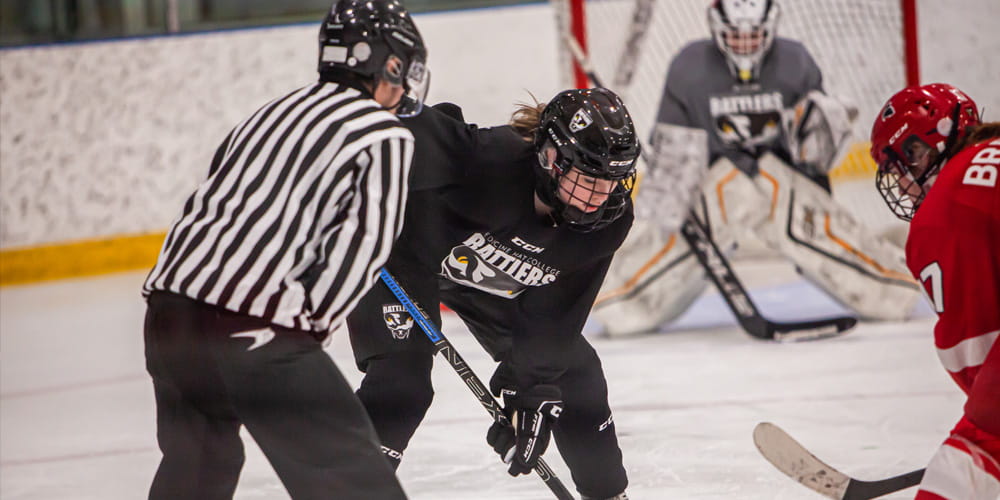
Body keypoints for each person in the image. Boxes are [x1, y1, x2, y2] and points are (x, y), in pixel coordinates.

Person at [140, 1, 429, 498]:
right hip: (254, 328)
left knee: (200, 468)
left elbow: (210, 206)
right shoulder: (384, 133)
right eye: (401, 73)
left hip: (168, 320)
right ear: (388, 64)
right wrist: (308, 330)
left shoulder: (264, 115)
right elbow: (364, 244)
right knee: (353, 482)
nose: (402, 89)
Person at [346, 88, 639, 500]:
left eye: (611, 180)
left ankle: (608, 495)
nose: (599, 197)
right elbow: (395, 127)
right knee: (403, 385)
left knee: (577, 375)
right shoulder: (486, 160)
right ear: (552, 159)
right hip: (404, 256)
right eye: (589, 178)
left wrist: (530, 390)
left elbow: (557, 317)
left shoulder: (607, 223)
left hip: (486, 278)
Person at [590, 0, 921, 336]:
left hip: (776, 182)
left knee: (791, 208)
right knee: (725, 194)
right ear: (717, 28)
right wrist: (671, 218)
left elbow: (811, 158)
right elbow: (674, 157)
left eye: (753, 35)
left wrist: (821, 139)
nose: (745, 44)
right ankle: (617, 298)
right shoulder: (688, 68)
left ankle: (892, 289)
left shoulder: (796, 62)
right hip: (715, 186)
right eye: (735, 35)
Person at [869, 83, 1000, 500]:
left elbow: (975, 350)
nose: (904, 187)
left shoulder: (943, 211)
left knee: (970, 457)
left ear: (920, 151)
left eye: (900, 167)